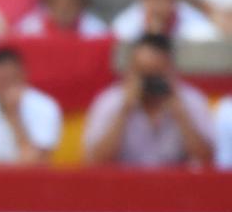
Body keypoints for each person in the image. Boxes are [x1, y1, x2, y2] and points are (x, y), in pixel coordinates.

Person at [81, 36, 216, 168]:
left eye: (156, 73)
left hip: (176, 186)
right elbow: (95, 161)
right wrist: (124, 111)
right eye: (143, 73)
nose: (149, 82)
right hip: (124, 185)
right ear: (130, 70)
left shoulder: (191, 100)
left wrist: (180, 112)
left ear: (171, 70)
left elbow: (207, 159)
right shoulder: (110, 101)